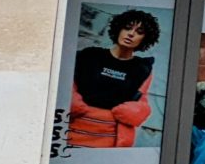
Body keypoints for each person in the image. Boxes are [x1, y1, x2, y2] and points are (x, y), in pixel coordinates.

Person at [68, 9, 162, 149]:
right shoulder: (89, 56)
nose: (131, 34)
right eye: (127, 28)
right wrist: (73, 103)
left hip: (111, 141)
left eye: (139, 32)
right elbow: (67, 86)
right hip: (72, 133)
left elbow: (142, 101)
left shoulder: (142, 69)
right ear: (118, 29)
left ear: (145, 39)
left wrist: (134, 111)